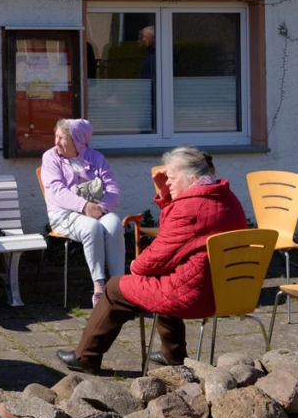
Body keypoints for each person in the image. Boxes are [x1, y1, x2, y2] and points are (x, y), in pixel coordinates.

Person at [57, 147, 246, 374]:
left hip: (198, 296)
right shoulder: (226, 197)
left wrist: (135, 267)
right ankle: (173, 355)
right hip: (228, 290)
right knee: (166, 278)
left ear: (192, 178)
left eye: (172, 178)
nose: (168, 182)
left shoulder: (190, 207)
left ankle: (85, 357)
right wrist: (167, 195)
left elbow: (157, 256)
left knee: (115, 287)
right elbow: (178, 241)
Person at [41, 119, 123, 306]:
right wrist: (85, 206)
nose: (56, 142)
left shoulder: (96, 158)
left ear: (77, 141)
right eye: (56, 136)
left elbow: (113, 189)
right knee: (91, 227)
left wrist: (101, 208)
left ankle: (118, 286)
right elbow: (56, 191)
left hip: (98, 210)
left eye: (62, 138)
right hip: (64, 213)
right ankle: (99, 286)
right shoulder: (50, 157)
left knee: (114, 224)